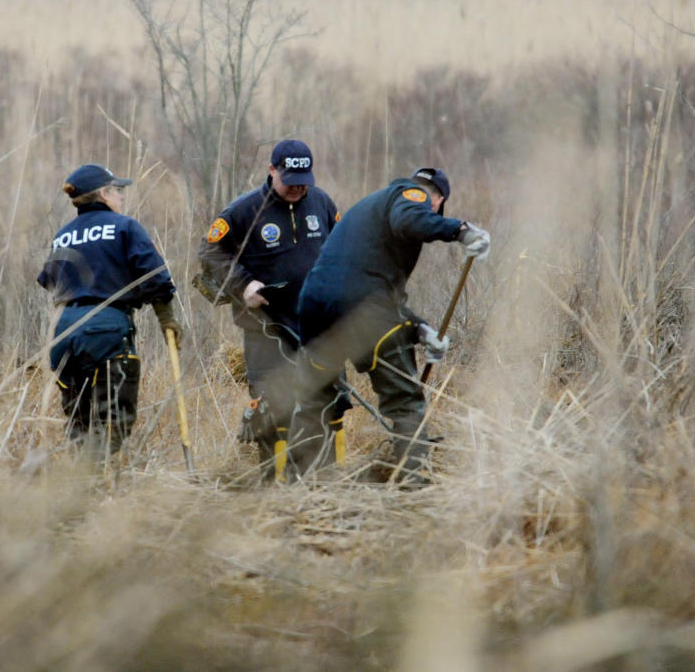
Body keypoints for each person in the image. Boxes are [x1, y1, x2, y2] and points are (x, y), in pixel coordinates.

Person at [288, 167, 491, 485]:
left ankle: (308, 483)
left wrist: (421, 330)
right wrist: (462, 231)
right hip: (364, 311)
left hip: (314, 309)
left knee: (316, 399)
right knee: (404, 400)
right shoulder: (411, 194)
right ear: (437, 199)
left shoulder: (368, 209)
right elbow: (408, 220)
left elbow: (363, 286)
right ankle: (410, 482)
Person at [197, 140, 341, 481]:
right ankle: (270, 487)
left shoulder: (320, 201)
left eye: (303, 178)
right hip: (267, 328)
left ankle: (322, 485)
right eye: (289, 178)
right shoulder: (244, 211)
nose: (297, 186)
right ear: (272, 170)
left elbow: (339, 246)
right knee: (272, 404)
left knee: (323, 401)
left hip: (315, 324)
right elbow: (210, 252)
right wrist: (243, 284)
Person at [36, 163, 182, 457]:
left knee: (79, 422)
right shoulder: (125, 226)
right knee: (112, 422)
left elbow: (47, 280)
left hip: (63, 332)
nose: (122, 196)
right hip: (106, 330)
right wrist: (167, 320)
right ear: (103, 194)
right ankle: (104, 487)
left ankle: (81, 486)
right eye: (117, 190)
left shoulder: (62, 235)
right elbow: (155, 277)